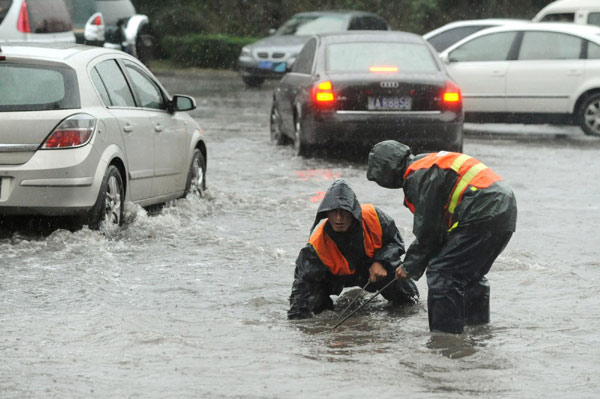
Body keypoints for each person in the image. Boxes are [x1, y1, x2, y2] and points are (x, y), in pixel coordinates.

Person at [366, 140, 517, 334]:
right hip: (504, 211)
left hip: (482, 211)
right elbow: (440, 232)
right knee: (470, 276)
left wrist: (409, 265)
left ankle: (444, 339)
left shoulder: (418, 175)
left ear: (387, 169)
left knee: (441, 272)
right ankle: (478, 330)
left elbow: (429, 230)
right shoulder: (429, 162)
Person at [287, 179, 419, 319]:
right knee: (312, 302)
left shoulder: (374, 217)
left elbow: (395, 242)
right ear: (326, 214)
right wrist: (297, 319)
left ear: (354, 212)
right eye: (334, 212)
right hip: (335, 278)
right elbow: (302, 283)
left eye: (344, 212)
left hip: (374, 271)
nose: (339, 218)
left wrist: (381, 261)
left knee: (409, 300)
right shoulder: (316, 245)